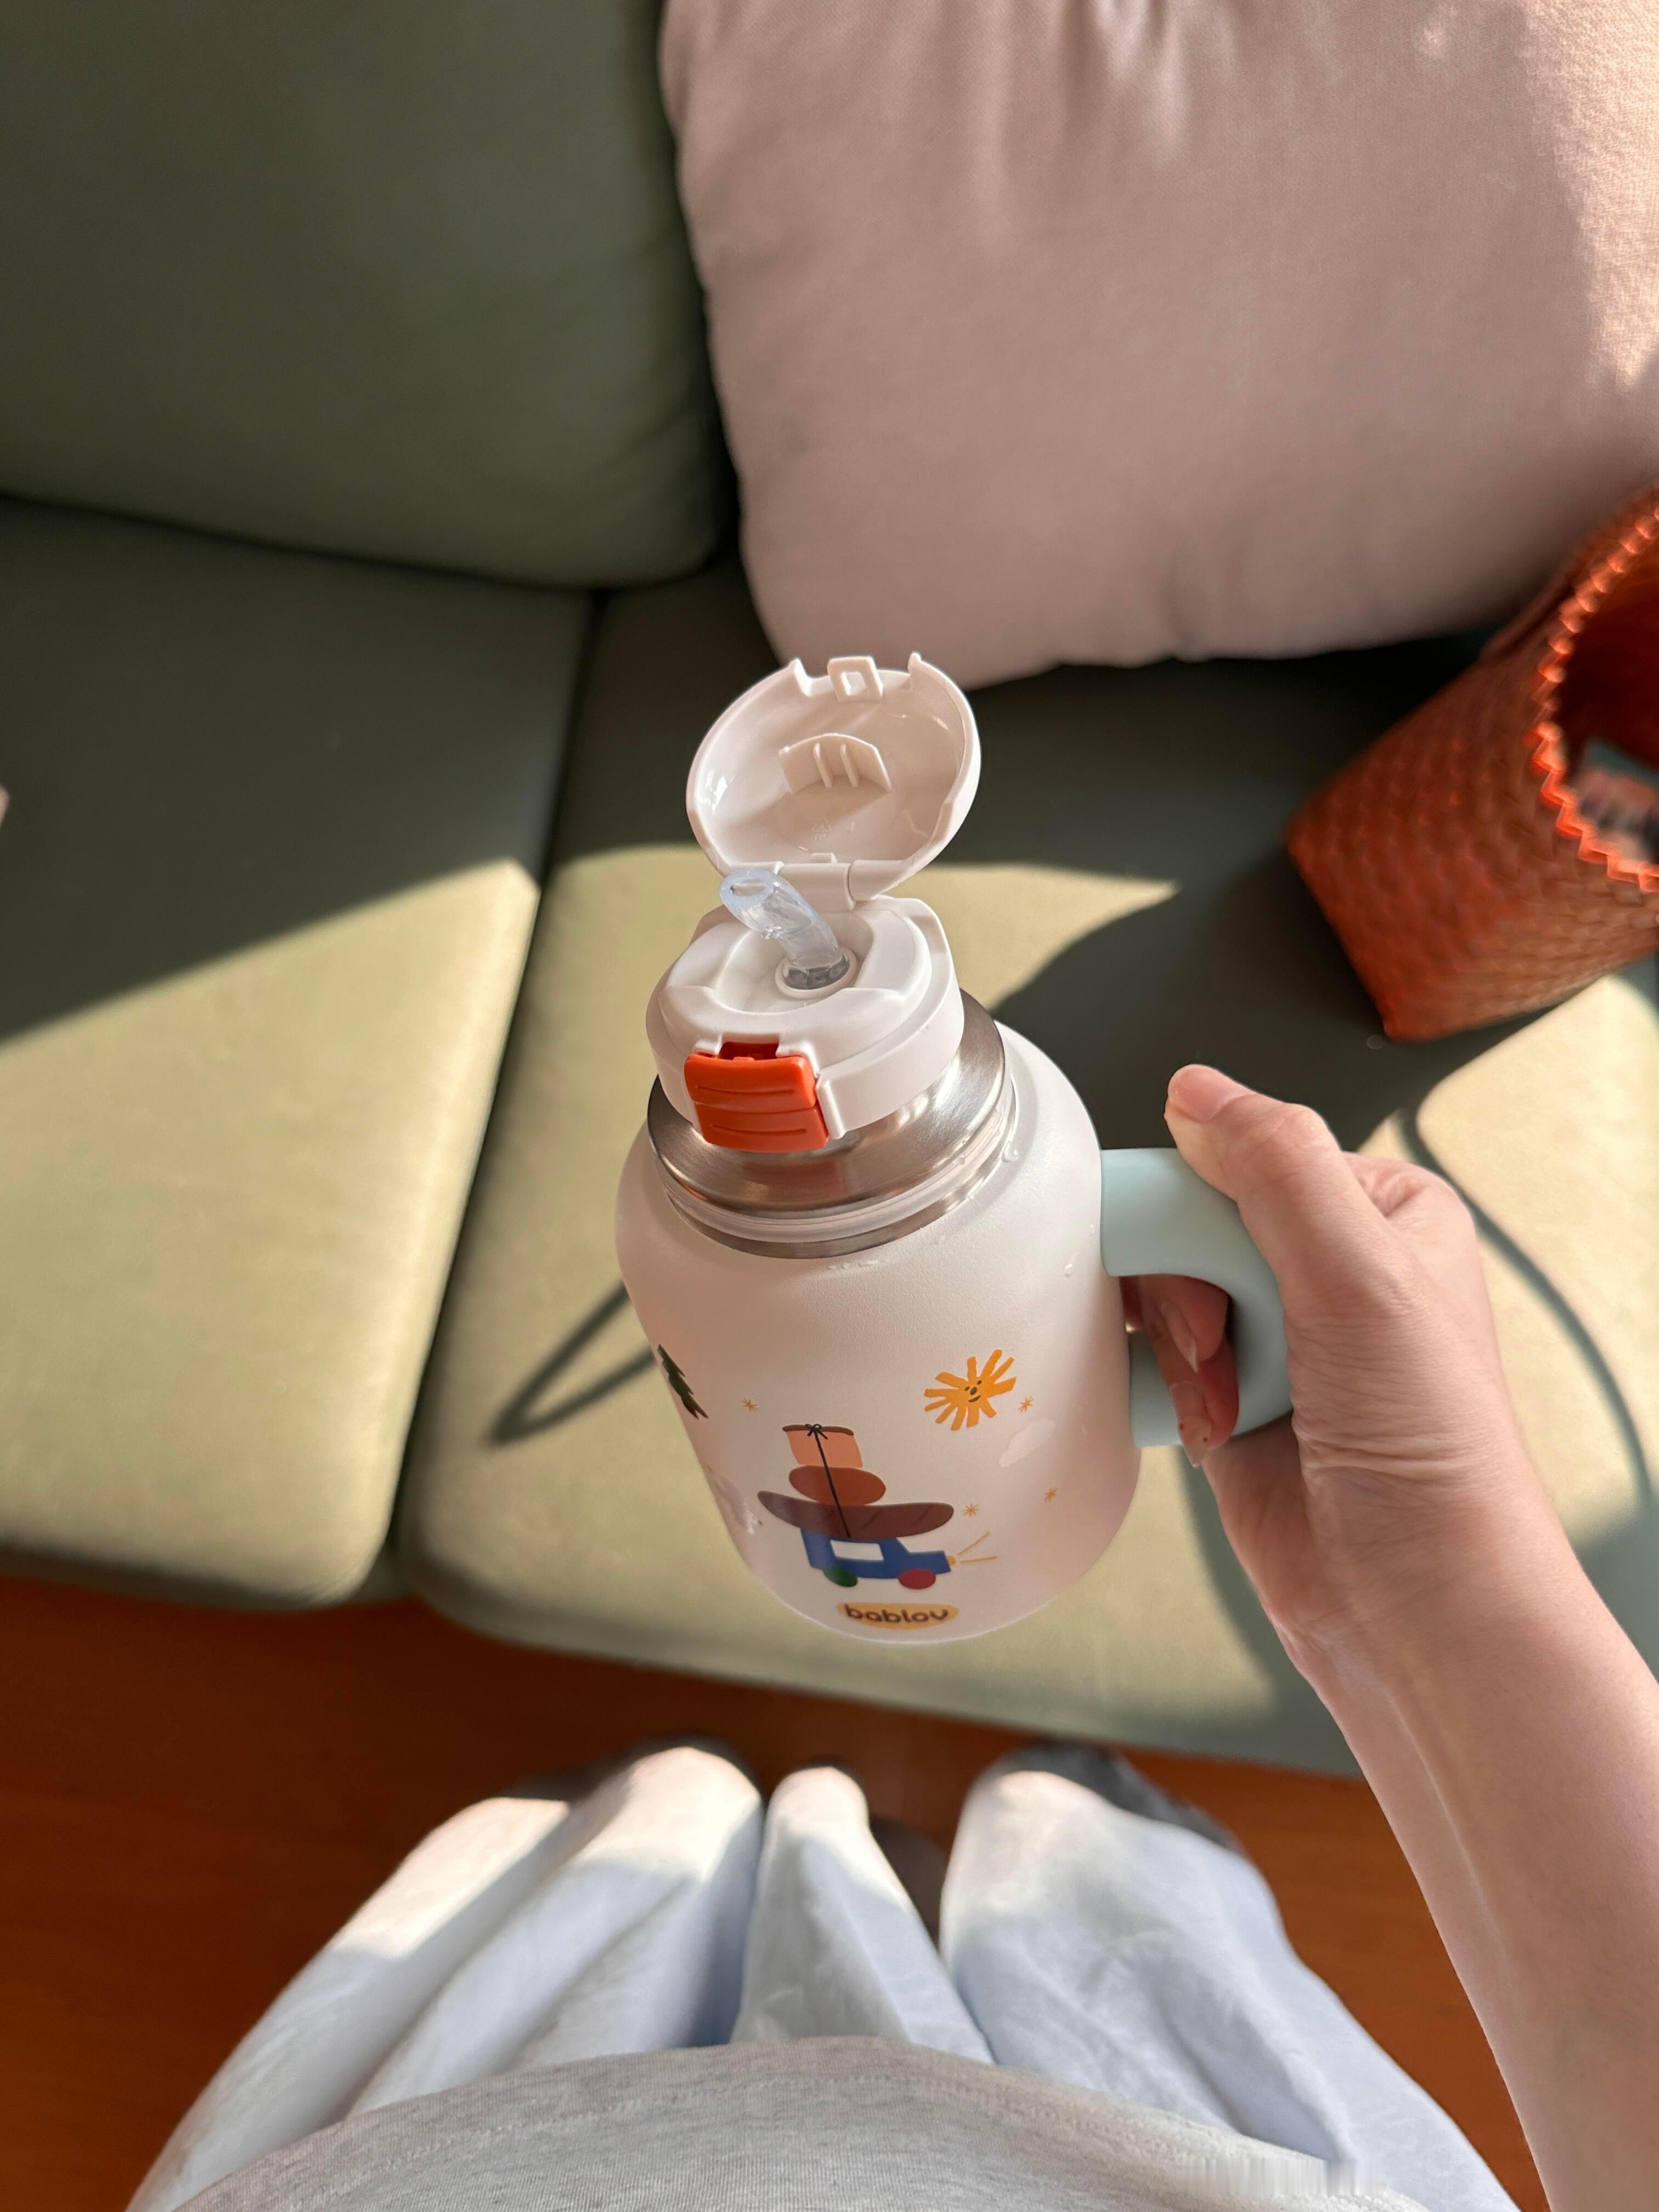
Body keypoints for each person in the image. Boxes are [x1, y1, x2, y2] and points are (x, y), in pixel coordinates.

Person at [133, 1069, 1659, 2212]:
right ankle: (1024, 1828)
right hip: (1137, 2152)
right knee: (1088, 1890)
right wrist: (1431, 1591)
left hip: (487, 2161)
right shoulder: (694, 1226)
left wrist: (1423, 1589)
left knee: (636, 1867)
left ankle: (681, 1821)